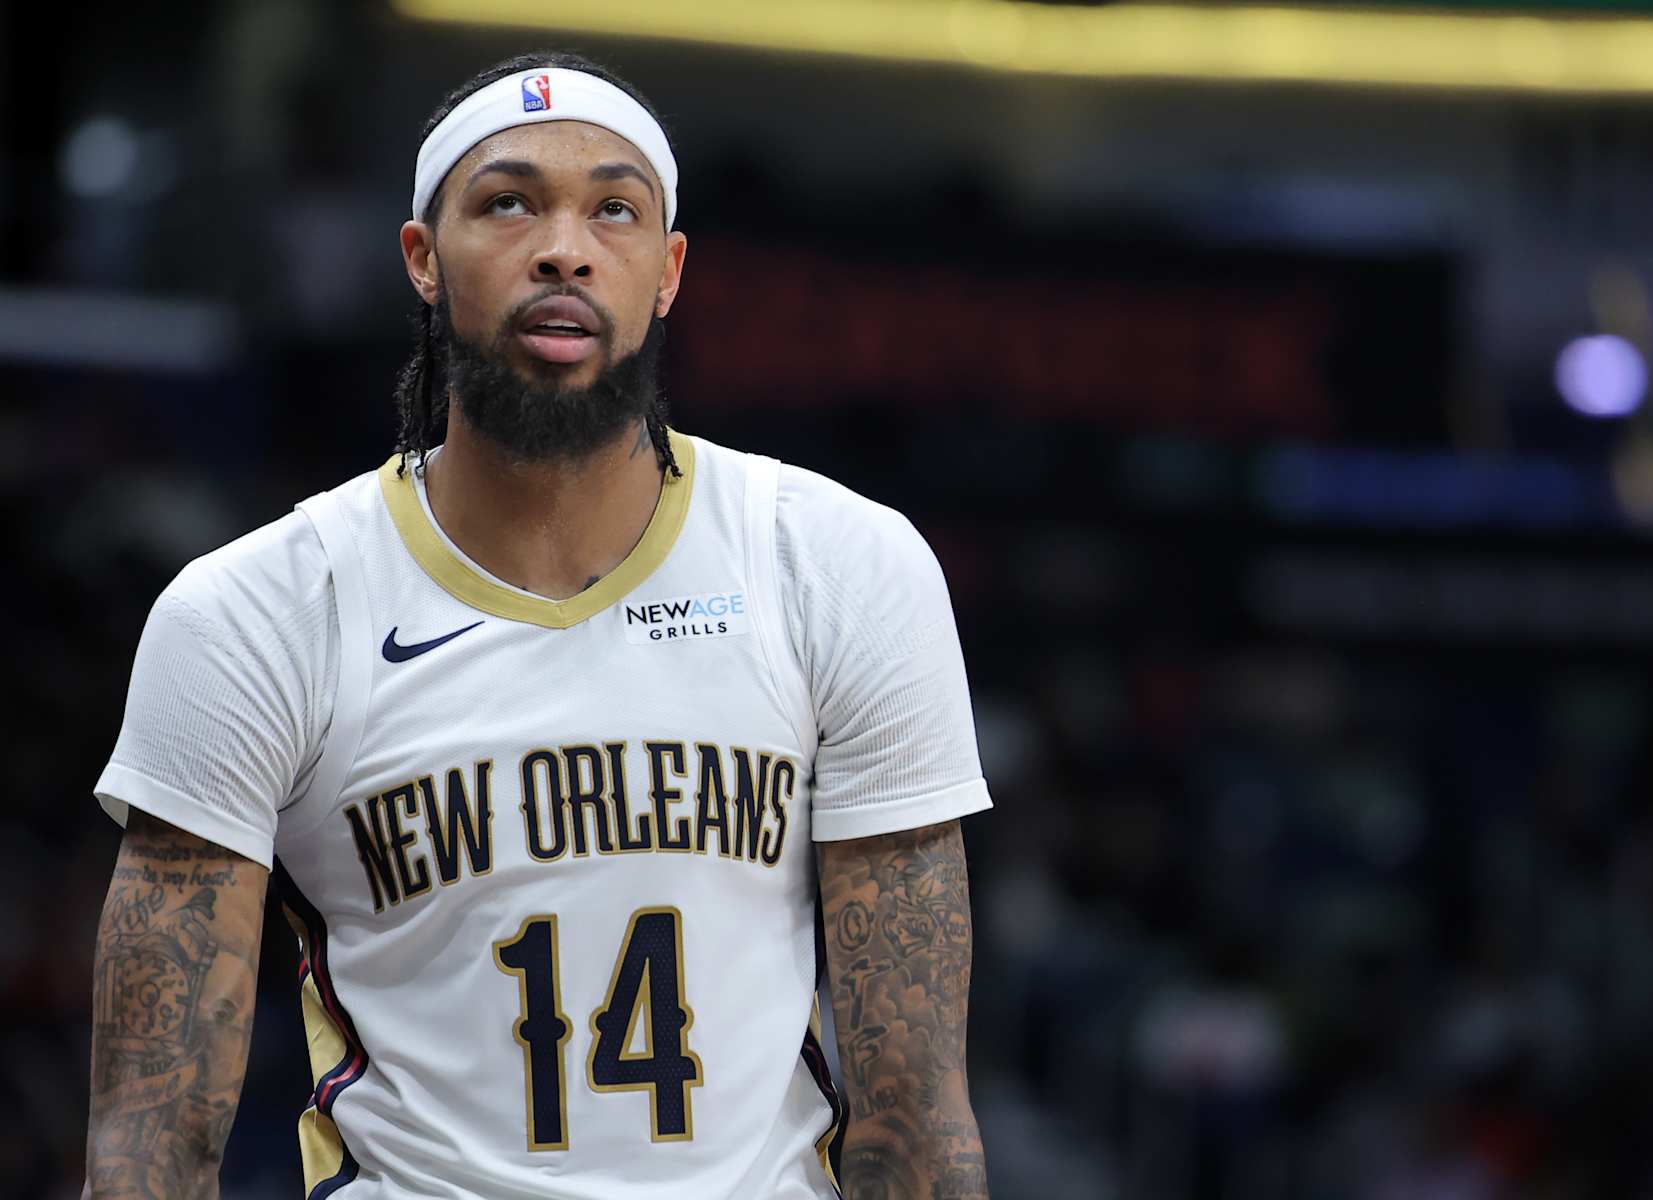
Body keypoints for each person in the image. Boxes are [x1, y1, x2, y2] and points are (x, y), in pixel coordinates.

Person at [83, 51, 991, 1200]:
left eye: (613, 208)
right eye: (508, 202)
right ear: (422, 258)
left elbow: (916, 1117)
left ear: (666, 273)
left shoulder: (840, 566)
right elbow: (149, 1144)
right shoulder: (254, 615)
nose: (564, 247)